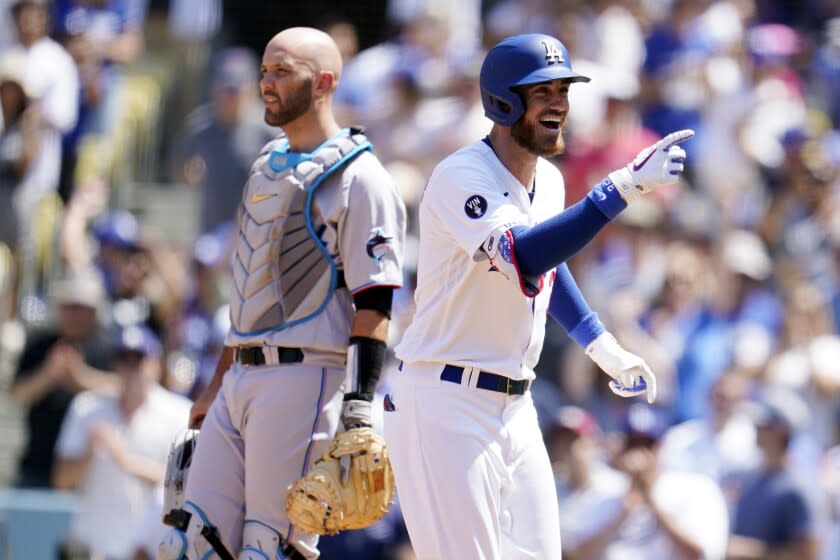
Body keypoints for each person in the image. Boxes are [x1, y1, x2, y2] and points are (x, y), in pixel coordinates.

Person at [382, 32, 692, 559]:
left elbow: (547, 265)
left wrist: (599, 344)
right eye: (542, 90)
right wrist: (621, 187)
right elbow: (521, 254)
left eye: (563, 90)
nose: (559, 104)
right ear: (503, 101)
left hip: (515, 402)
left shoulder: (547, 180)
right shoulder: (461, 174)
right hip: (445, 399)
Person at [158, 27, 406, 559]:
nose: (267, 83)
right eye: (265, 71)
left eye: (282, 71)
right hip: (241, 375)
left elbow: (376, 300)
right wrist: (216, 384)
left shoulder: (361, 178)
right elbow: (250, 295)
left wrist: (359, 406)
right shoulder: (265, 167)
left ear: (323, 83)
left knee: (266, 551)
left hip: (305, 377)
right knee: (184, 544)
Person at [53, 324, 192, 559]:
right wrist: (89, 452)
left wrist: (127, 462)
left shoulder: (180, 414)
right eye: (122, 359)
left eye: (137, 359)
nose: (130, 368)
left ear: (156, 364)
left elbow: (186, 487)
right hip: (92, 545)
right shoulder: (87, 407)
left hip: (148, 550)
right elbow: (62, 482)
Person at [572, 403, 730, 560]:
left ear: (661, 446)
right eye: (633, 444)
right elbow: (578, 556)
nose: (640, 451)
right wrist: (622, 512)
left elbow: (698, 554)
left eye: (648, 444)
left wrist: (651, 500)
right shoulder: (605, 490)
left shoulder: (694, 488)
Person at [8, 267, 116, 488]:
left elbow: (124, 387)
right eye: (69, 307)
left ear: (94, 311)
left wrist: (82, 379)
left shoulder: (109, 347)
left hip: (91, 468)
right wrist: (48, 375)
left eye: (81, 307)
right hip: (37, 466)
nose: (74, 314)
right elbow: (16, 396)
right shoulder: (40, 345)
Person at [727, 390, 822, 560]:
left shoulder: (800, 488)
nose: (755, 428)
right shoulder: (751, 478)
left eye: (762, 424)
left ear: (780, 430)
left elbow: (807, 554)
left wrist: (741, 550)